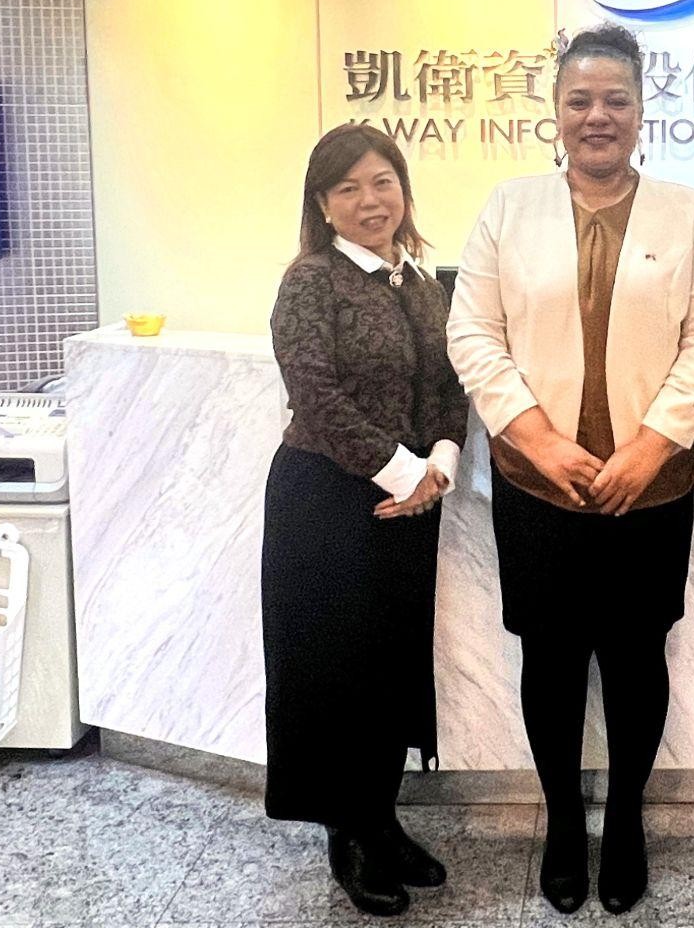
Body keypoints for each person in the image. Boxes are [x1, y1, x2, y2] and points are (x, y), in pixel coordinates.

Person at [447, 23, 694, 916]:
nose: (597, 115)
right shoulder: (509, 208)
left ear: (642, 110)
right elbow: (473, 333)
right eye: (580, 100)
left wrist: (650, 447)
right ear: (557, 110)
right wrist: (539, 439)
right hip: (540, 487)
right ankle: (566, 823)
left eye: (616, 99)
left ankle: (626, 825)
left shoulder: (687, 213)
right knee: (552, 658)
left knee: (637, 655)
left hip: (652, 487)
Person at [260, 122, 469, 918]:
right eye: (347, 188)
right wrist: (406, 473)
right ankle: (346, 833)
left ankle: (382, 818)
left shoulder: (419, 281)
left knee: (390, 667)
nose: (369, 200)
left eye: (383, 182)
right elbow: (315, 396)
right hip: (327, 500)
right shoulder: (311, 282)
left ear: (403, 190)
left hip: (409, 500)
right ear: (322, 204)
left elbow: (447, 386)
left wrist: (440, 464)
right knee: (333, 672)